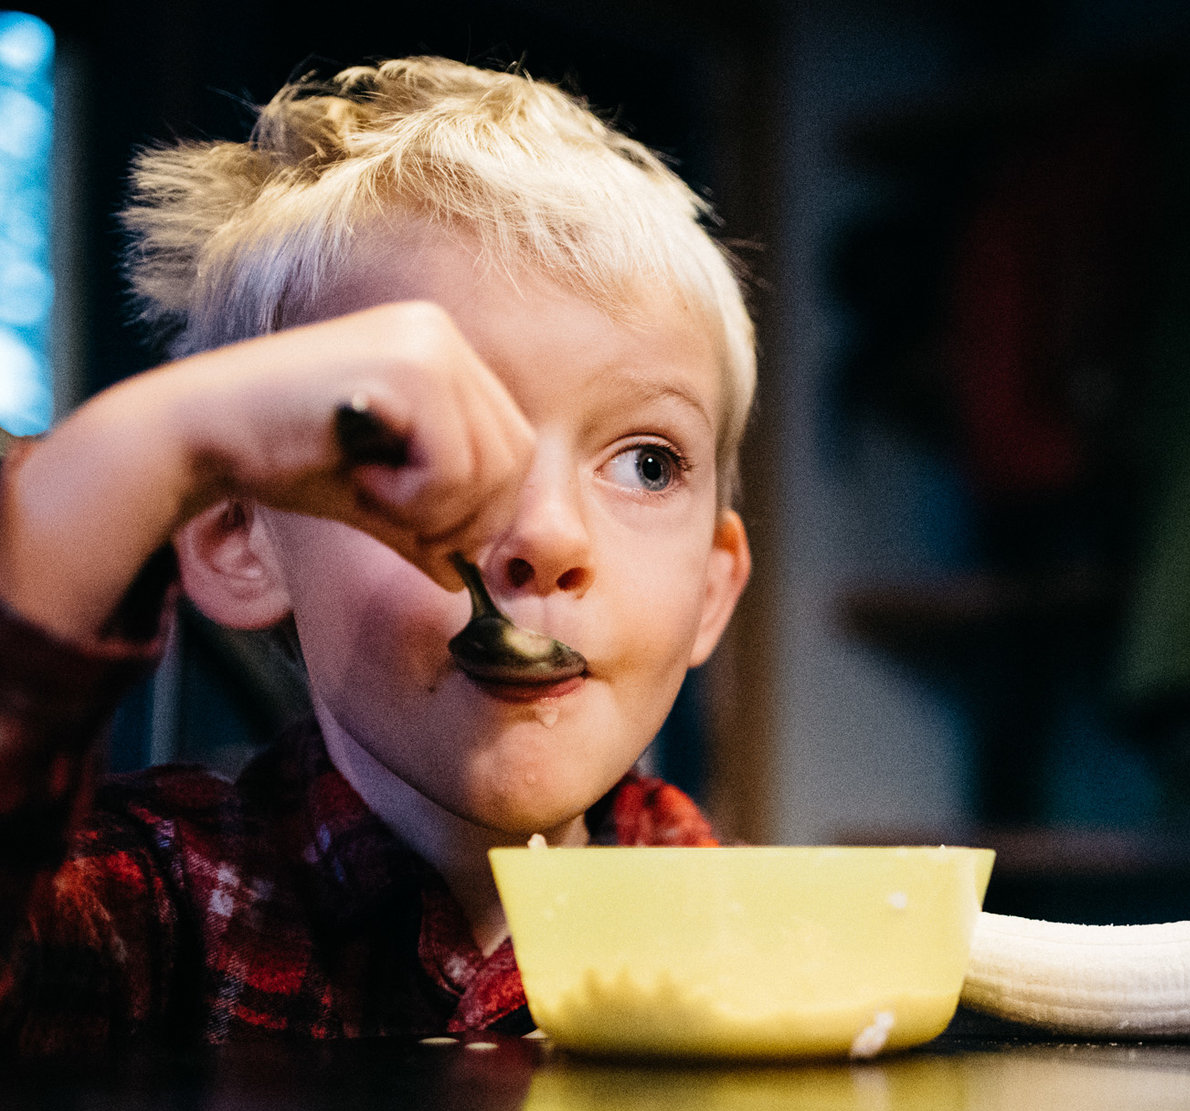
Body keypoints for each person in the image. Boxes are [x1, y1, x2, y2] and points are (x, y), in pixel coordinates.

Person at [0, 58, 754, 1055]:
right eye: (420, 453)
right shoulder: (155, 903)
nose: (551, 540)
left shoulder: (731, 916)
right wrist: (144, 454)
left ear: (710, 588)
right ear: (238, 536)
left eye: (647, 463)